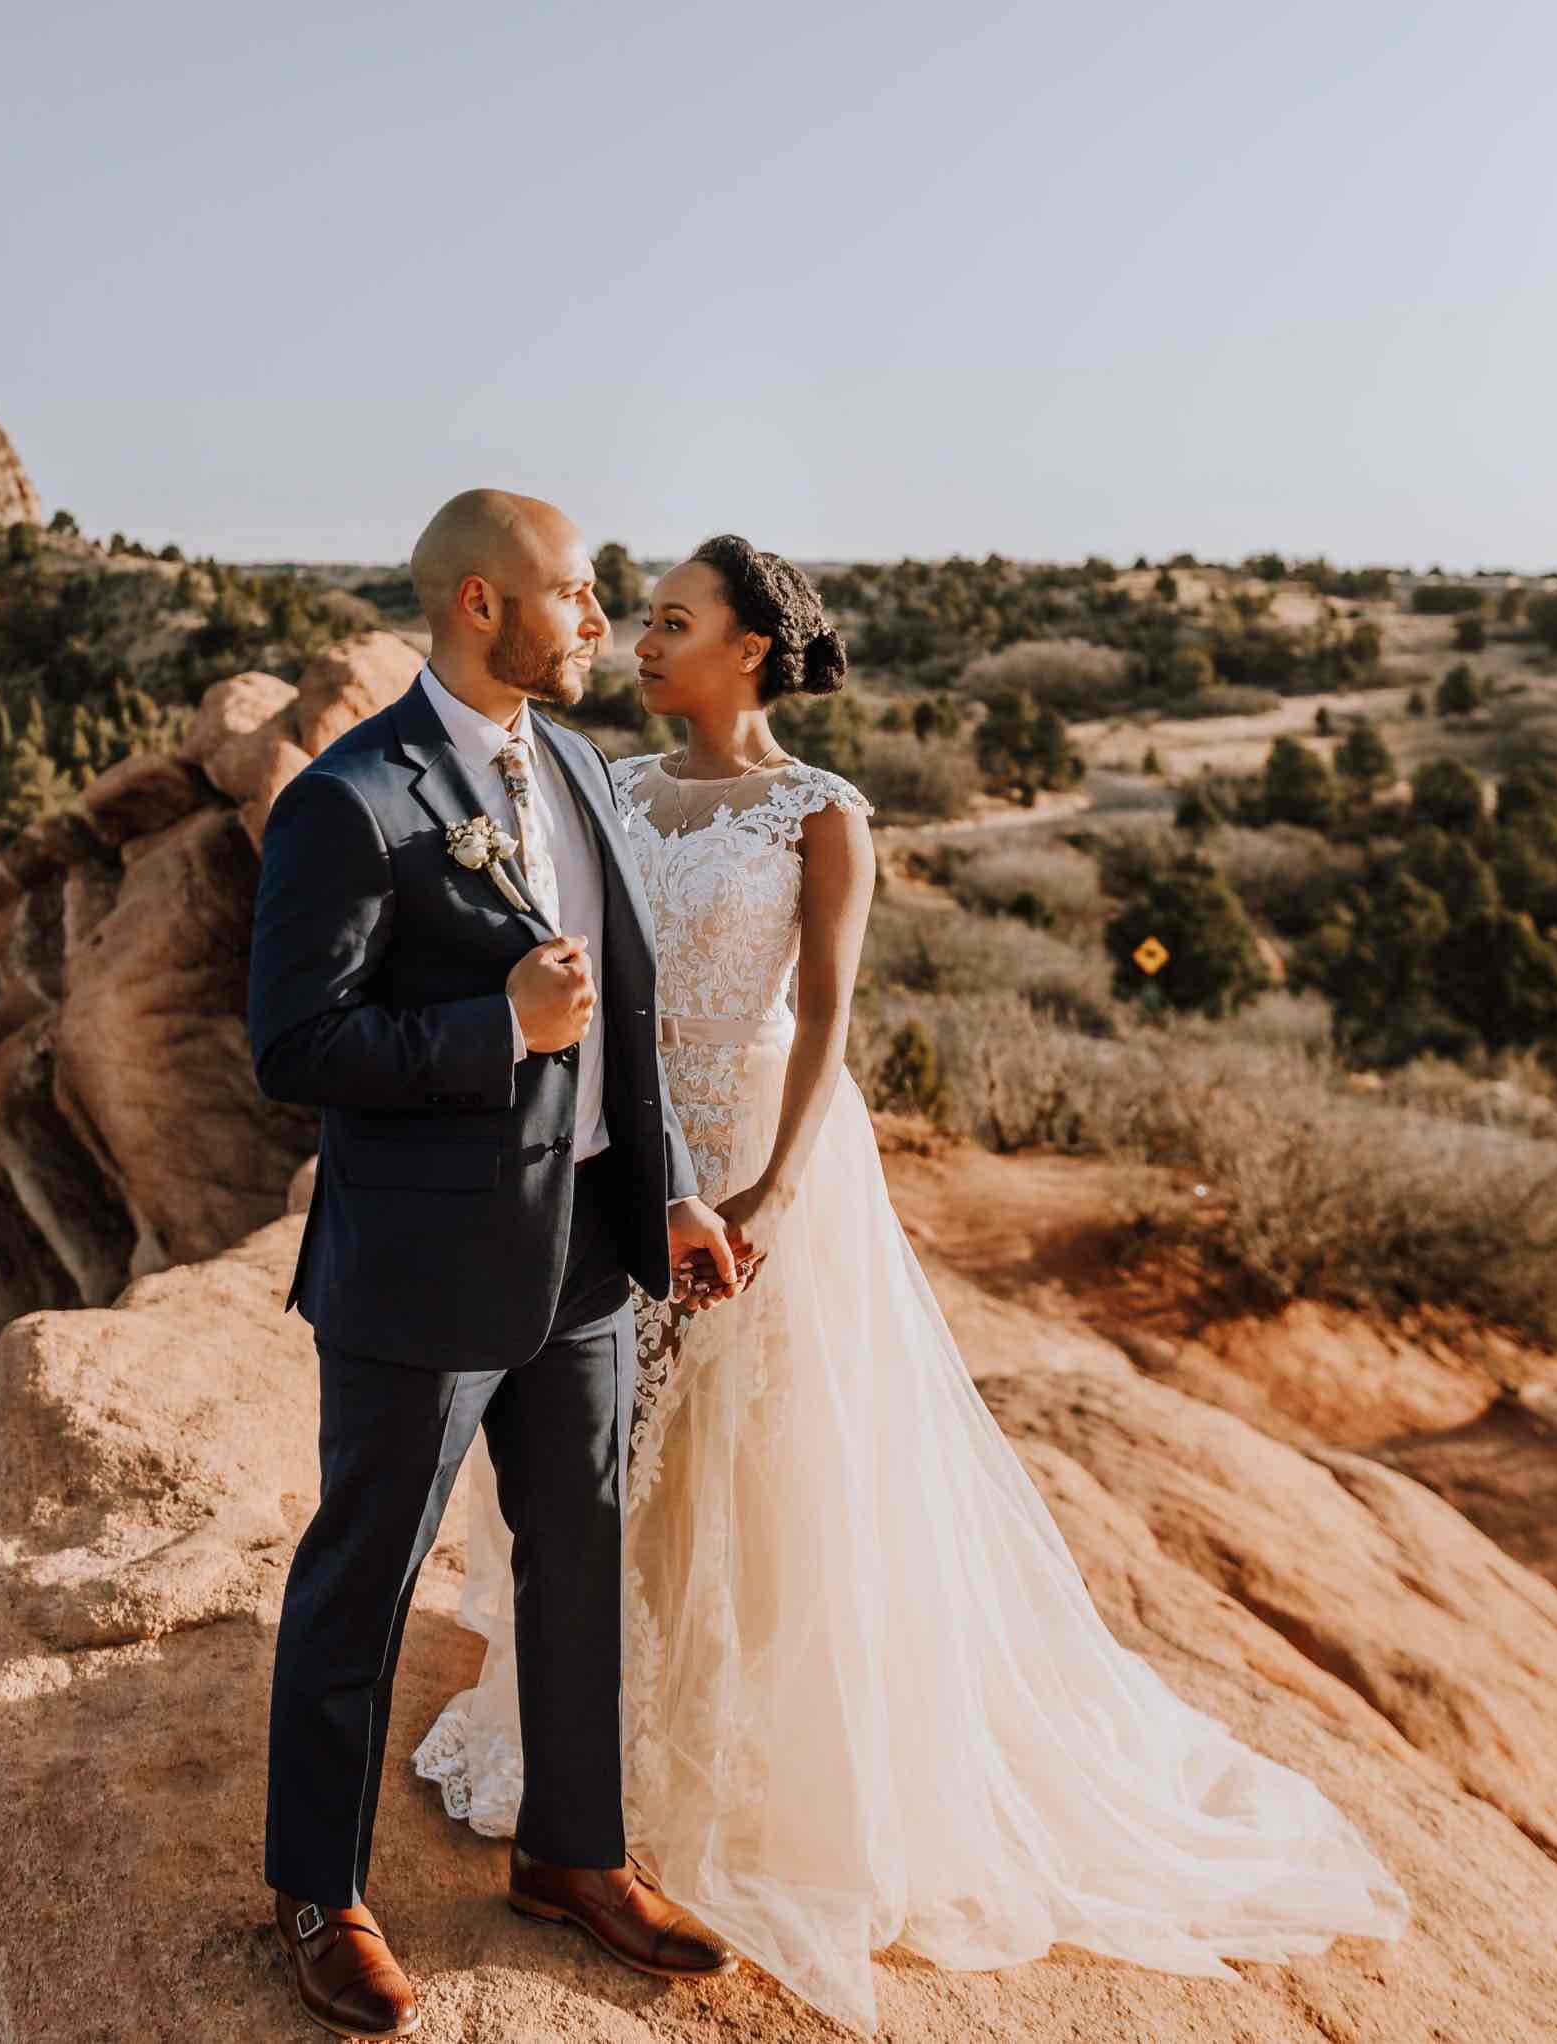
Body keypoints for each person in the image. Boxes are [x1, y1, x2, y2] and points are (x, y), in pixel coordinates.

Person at [414, 534, 1413, 2033]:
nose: (642, 641)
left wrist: (772, 1192)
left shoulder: (822, 812)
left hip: (758, 1157)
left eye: (673, 620)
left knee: (757, 1465)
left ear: (749, 649)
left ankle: (727, 1758)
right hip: (626, 1154)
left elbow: (826, 1019)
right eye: (642, 620)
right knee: (610, 1450)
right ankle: (590, 1739)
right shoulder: (608, 786)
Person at [248, 489, 753, 2040]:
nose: (599, 617)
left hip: (590, 1248)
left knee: (581, 1560)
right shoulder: (349, 801)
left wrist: (671, 1192)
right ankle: (318, 1895)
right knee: (366, 1575)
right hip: (421, 1266)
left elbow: (631, 1012)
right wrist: (496, 1030)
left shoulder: (579, 764)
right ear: (481, 603)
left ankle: (573, 1856)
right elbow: (294, 1046)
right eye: (576, 592)